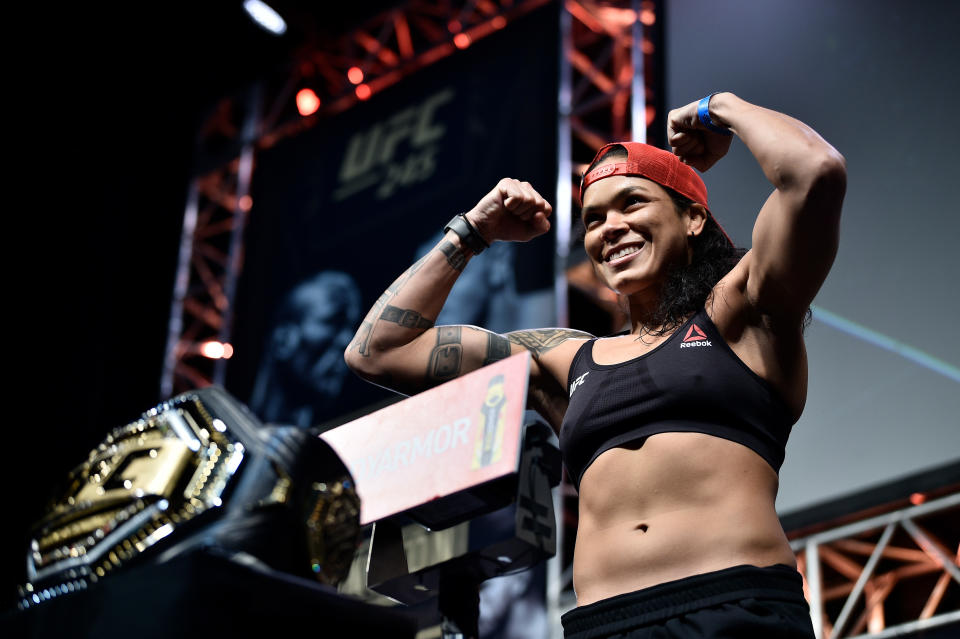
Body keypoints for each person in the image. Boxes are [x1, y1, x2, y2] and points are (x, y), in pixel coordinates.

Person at [344, 92, 846, 638]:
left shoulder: (742, 311)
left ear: (694, 218)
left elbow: (814, 171)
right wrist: (475, 229)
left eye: (633, 203)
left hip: (733, 608)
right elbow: (378, 351)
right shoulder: (565, 358)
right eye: (594, 219)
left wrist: (716, 108)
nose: (610, 227)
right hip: (604, 625)